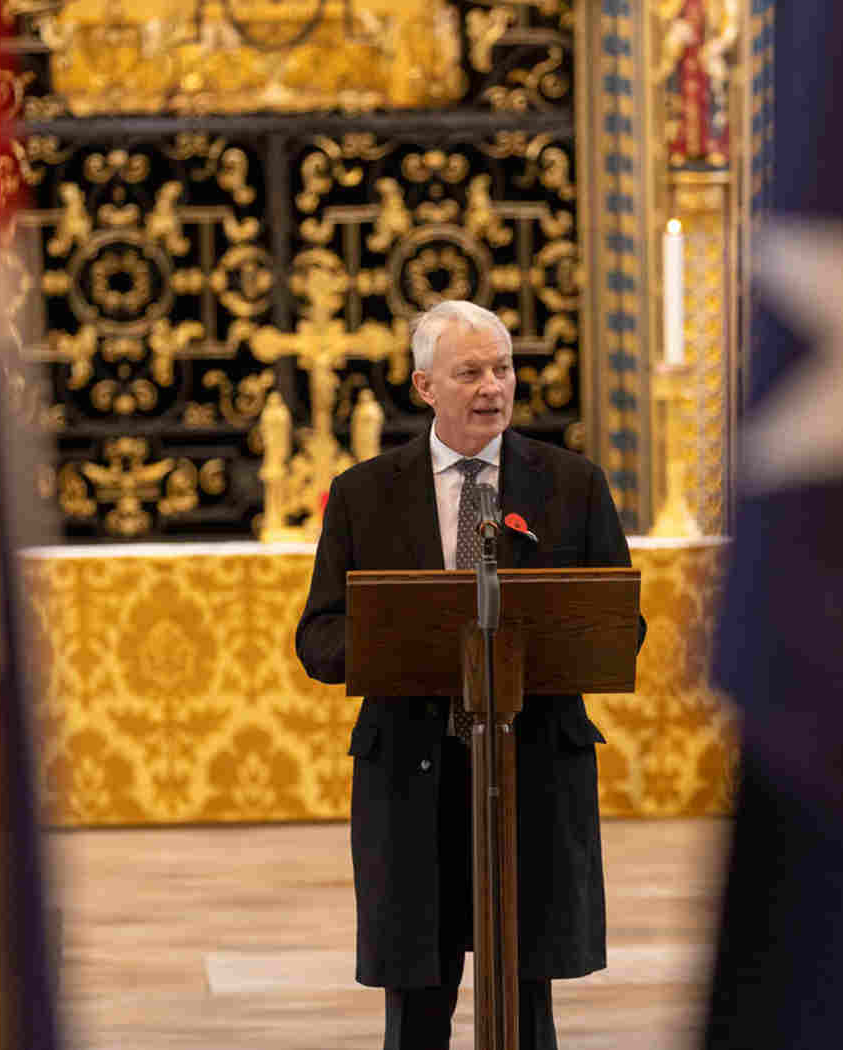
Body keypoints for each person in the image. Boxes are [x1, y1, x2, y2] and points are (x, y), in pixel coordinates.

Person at [296, 299, 644, 1050]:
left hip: (531, 772)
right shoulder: (365, 492)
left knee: (527, 1010)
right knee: (417, 1014)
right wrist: (410, 639)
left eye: (503, 368)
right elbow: (318, 638)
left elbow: (623, 625)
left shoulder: (572, 485)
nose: (493, 387)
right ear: (425, 387)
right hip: (413, 779)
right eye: (470, 372)